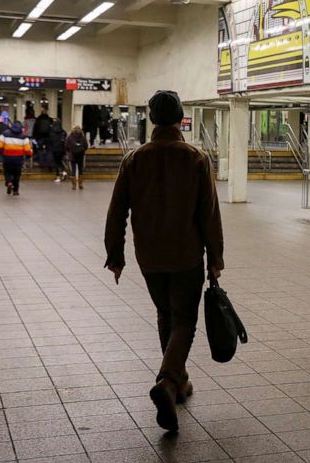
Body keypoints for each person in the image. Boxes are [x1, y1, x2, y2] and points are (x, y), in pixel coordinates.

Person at [104, 90, 224, 434]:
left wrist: (116, 254)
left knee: (165, 315)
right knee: (184, 321)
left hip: (149, 257)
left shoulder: (134, 159)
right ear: (180, 117)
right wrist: (215, 258)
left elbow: (116, 212)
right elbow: (209, 216)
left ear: (152, 119)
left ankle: (180, 382)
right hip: (186, 256)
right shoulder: (196, 158)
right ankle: (168, 383)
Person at [0, 121, 32, 196]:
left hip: (7, 158)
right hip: (18, 160)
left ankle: (9, 182)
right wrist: (28, 156)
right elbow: (27, 150)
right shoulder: (24, 136)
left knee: (7, 172)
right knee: (17, 175)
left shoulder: (5, 134)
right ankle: (15, 191)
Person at [66, 126, 89, 190]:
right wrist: (82, 150)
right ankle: (80, 184)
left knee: (73, 170)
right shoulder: (83, 137)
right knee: (80, 170)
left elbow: (66, 146)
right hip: (81, 156)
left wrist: (70, 152)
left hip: (72, 156)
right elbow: (86, 146)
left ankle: (74, 185)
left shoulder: (69, 137)